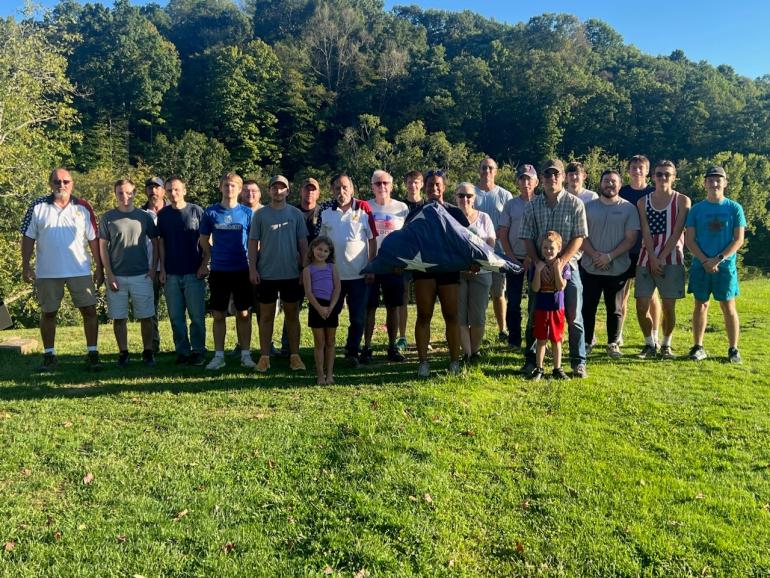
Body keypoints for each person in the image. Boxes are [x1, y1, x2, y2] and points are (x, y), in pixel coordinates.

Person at [20, 168, 103, 371]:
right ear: (50, 184)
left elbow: (94, 239)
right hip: (48, 272)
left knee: (90, 311)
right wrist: (25, 265)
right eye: (57, 181)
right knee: (48, 313)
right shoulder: (37, 206)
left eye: (66, 181)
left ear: (72, 183)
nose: (61, 185)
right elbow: (27, 237)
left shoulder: (83, 207)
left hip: (79, 269)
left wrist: (99, 267)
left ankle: (92, 353)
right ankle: (49, 356)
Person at [520, 159, 588, 378]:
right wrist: (539, 263)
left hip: (569, 267)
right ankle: (531, 360)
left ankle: (578, 361)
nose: (552, 179)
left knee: (573, 315)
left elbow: (579, 237)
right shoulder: (532, 205)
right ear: (542, 179)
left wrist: (561, 262)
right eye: (548, 175)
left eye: (556, 174)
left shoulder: (575, 204)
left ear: (563, 177)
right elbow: (528, 237)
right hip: (540, 267)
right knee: (534, 314)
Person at [405, 170, 470, 377]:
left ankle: (454, 361)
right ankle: (423, 362)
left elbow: (467, 242)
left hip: (449, 272)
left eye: (438, 184)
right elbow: (406, 241)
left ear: (444, 186)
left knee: (451, 316)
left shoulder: (456, 212)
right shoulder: (416, 212)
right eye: (430, 184)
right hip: (424, 272)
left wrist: (472, 262)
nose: (434, 188)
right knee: (424, 315)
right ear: (424, 187)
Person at [685, 166, 746, 363]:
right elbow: (690, 240)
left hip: (725, 266)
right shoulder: (696, 210)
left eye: (718, 179)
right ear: (704, 184)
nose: (714, 183)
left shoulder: (734, 208)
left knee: (728, 306)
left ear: (726, 183)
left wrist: (718, 259)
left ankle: (733, 349)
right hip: (700, 265)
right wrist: (705, 260)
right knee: (700, 305)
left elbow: (738, 240)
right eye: (710, 180)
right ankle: (698, 346)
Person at [248, 175, 309, 372]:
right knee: (265, 316)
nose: (278, 191)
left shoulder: (296, 214)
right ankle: (265, 356)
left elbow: (303, 244)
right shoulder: (260, 215)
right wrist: (253, 268)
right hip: (266, 274)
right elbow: (252, 243)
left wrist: (304, 269)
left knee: (292, 315)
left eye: (282, 188)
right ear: (269, 191)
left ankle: (294, 356)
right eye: (274, 188)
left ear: (288, 191)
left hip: (291, 273)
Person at [318, 174, 377, 367]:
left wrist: (371, 267)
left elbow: (372, 239)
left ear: (351, 189)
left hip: (359, 275)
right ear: (332, 190)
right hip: (334, 276)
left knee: (358, 318)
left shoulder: (363, 208)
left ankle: (352, 351)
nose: (341, 192)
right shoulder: (326, 212)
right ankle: (330, 349)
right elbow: (321, 243)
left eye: (344, 187)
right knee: (331, 315)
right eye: (337, 188)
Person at [580, 170, 640, 358]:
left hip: (618, 267)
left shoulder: (629, 208)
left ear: (620, 185)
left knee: (615, 308)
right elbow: (581, 235)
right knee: (588, 306)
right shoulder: (588, 207)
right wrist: (596, 256)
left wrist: (609, 257)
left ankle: (613, 343)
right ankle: (587, 342)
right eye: (606, 181)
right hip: (590, 266)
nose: (610, 184)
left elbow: (631, 239)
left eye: (613, 181)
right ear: (600, 184)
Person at [99, 179, 159, 367]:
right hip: (117, 275)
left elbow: (156, 243)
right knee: (119, 317)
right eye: (120, 193)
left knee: (146, 316)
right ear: (115, 194)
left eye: (128, 192)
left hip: (141, 274)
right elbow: (102, 248)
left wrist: (152, 268)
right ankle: (123, 352)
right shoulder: (107, 217)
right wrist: (109, 274)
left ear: (134, 193)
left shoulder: (144, 216)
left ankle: (148, 351)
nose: (125, 196)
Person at [199, 172, 256, 370]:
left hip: (242, 268)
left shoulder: (248, 213)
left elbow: (254, 241)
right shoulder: (211, 212)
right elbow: (203, 239)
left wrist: (253, 263)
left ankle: (246, 354)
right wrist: (213, 253)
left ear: (239, 189)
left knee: (243, 313)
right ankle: (219, 355)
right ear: (220, 187)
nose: (229, 189)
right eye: (225, 185)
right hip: (219, 270)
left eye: (233, 186)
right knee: (218, 314)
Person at [635, 160, 690, 360]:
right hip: (646, 258)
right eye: (659, 174)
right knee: (641, 304)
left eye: (667, 174)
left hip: (672, 258)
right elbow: (646, 231)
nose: (663, 177)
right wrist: (652, 256)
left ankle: (666, 344)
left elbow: (677, 232)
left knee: (669, 307)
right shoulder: (642, 202)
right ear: (653, 177)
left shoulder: (683, 201)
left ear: (674, 177)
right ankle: (650, 344)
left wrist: (661, 256)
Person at [157, 176, 207, 366]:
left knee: (196, 316)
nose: (173, 193)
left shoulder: (196, 211)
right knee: (176, 317)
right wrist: (162, 268)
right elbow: (161, 243)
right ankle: (182, 351)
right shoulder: (163, 215)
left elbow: (207, 240)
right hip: (171, 273)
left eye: (177, 189)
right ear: (165, 193)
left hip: (194, 273)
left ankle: (198, 351)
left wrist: (205, 264)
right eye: (169, 190)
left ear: (184, 190)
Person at [363, 169, 408, 363]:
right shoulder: (365, 207)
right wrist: (367, 265)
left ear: (392, 185)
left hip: (393, 266)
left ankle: (392, 347)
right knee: (369, 308)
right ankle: (367, 347)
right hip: (372, 263)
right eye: (378, 183)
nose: (382, 187)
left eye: (385, 183)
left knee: (393, 307)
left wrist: (401, 262)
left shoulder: (402, 208)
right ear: (372, 187)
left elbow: (407, 238)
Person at [618, 155, 659, 349]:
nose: (637, 170)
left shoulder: (654, 193)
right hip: (625, 250)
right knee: (622, 296)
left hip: (648, 251)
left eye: (640, 167)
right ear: (628, 171)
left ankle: (655, 335)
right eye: (633, 167)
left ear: (647, 171)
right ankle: (618, 334)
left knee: (651, 297)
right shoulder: (621, 192)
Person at [455, 182, 495, 362]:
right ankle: (467, 353)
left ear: (474, 198)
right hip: (458, 273)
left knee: (478, 316)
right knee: (460, 315)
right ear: (455, 197)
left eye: (469, 195)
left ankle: (476, 350)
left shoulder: (484, 218)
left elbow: (491, 244)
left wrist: (477, 264)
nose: (465, 199)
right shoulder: (450, 217)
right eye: (461, 195)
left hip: (482, 272)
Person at [498, 163, 537, 350]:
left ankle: (533, 338)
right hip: (513, 258)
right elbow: (503, 233)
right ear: (518, 182)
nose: (525, 182)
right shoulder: (511, 205)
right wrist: (511, 257)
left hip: (535, 259)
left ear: (536, 182)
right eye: (522, 178)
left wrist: (532, 256)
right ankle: (514, 339)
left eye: (529, 178)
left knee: (534, 301)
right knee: (513, 301)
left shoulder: (541, 203)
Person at [474, 157, 513, 342]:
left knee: (498, 294)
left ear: (496, 171)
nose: (487, 171)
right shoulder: (470, 193)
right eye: (484, 168)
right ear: (478, 170)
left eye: (490, 168)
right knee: (479, 295)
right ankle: (477, 329)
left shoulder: (505, 195)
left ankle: (502, 329)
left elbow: (511, 223)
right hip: (476, 254)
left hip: (499, 253)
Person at [529, 231, 570, 380]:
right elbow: (534, 288)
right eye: (545, 248)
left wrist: (556, 269)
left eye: (551, 248)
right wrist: (538, 271)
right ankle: (539, 368)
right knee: (541, 339)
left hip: (557, 308)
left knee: (556, 339)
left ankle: (557, 368)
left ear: (559, 248)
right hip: (541, 307)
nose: (548, 251)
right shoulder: (537, 265)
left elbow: (560, 287)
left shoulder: (564, 265)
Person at [303, 235, 341, 384]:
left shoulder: (332, 268)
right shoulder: (308, 270)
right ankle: (320, 375)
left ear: (329, 254)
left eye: (326, 251)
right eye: (319, 249)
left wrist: (331, 307)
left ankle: (330, 374)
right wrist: (319, 308)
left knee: (330, 341)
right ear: (313, 249)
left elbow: (337, 288)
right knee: (319, 342)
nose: (322, 253)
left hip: (331, 306)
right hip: (316, 307)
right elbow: (308, 292)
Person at [396, 170, 425, 352]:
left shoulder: (428, 205)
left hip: (423, 259)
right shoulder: (398, 206)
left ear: (421, 184)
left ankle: (424, 335)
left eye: (416, 182)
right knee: (403, 298)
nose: (412, 185)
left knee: (424, 299)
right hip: (404, 258)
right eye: (409, 182)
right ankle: (402, 337)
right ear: (405, 183)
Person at [142, 177, 168, 353]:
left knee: (177, 308)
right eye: (150, 187)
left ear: (163, 190)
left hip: (172, 267)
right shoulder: (139, 214)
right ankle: (153, 345)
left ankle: (182, 345)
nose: (153, 191)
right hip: (149, 268)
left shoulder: (174, 210)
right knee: (150, 310)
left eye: (157, 187)